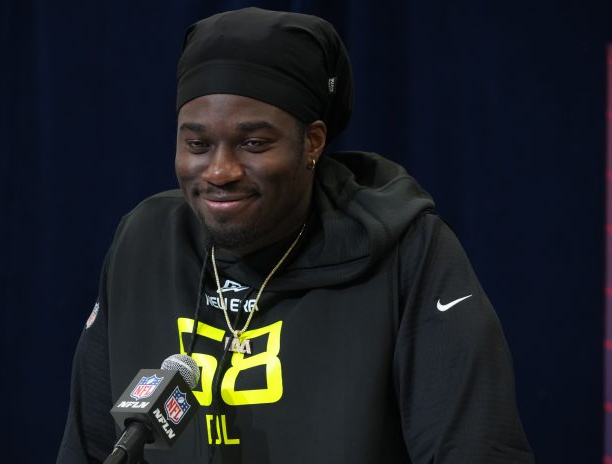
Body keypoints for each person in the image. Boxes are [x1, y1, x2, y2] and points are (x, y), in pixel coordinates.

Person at [57, 7, 534, 464]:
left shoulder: (408, 250)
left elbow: (476, 447)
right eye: (197, 144)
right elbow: (92, 446)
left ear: (313, 142)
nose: (219, 171)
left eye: (254, 143)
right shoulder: (144, 241)